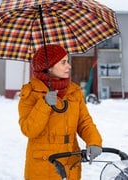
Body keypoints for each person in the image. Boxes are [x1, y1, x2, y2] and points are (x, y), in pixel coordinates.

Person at [18, 44, 102, 179]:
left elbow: (84, 122)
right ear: (48, 67)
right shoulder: (30, 94)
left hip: (70, 160)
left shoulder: (73, 91)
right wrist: (44, 104)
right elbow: (29, 130)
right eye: (63, 62)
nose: (68, 66)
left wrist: (94, 141)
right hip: (44, 164)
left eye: (67, 61)